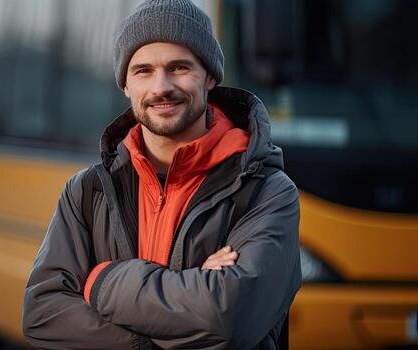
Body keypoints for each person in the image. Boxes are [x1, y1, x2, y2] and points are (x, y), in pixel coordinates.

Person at [22, 0, 301, 349]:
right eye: (143, 71)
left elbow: (230, 319)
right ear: (125, 85)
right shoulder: (88, 191)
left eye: (179, 67)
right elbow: (42, 314)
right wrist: (186, 303)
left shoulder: (266, 191)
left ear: (210, 77)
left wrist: (103, 282)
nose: (161, 87)